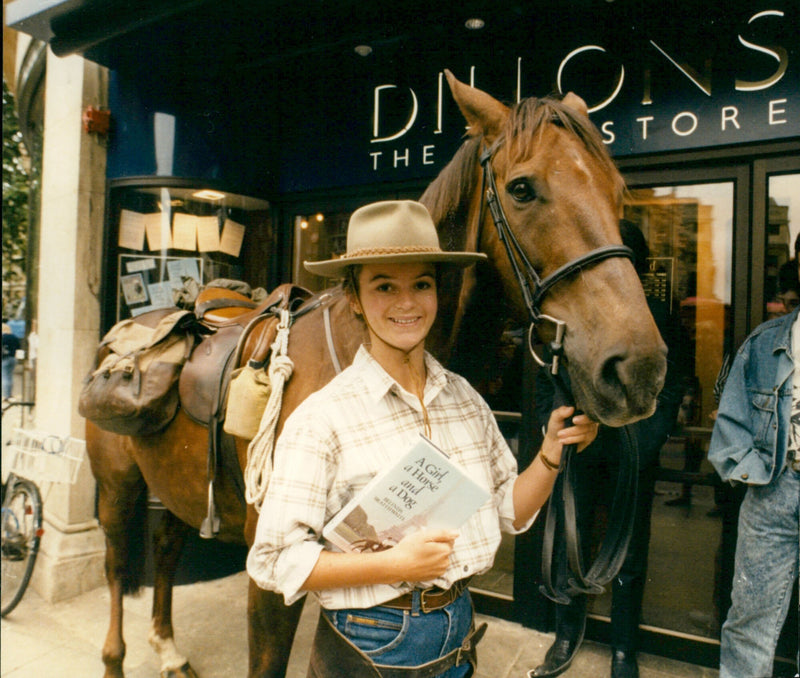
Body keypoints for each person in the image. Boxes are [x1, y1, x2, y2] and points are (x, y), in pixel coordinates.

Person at [246, 200, 599, 678]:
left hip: (458, 627)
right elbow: (273, 560)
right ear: (353, 297)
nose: (407, 303)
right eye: (384, 286)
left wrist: (551, 453)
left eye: (422, 284)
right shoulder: (322, 418)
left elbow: (509, 511)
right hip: (372, 638)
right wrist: (395, 564)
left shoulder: (464, 399)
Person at [529, 220, 684, 678]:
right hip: (578, 452)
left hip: (632, 459)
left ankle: (624, 651)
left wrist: (644, 443)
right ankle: (565, 636)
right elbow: (547, 381)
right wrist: (555, 429)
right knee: (568, 546)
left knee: (630, 557)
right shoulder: (573, 313)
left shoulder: (659, 313)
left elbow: (672, 388)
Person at [708, 305, 799, 678]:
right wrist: (752, 469)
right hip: (774, 491)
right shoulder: (766, 341)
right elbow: (731, 415)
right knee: (749, 622)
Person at [2, 321, 21, 400]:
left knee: (4, 377)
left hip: (4, 358)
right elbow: (18, 347)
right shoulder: (14, 337)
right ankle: (9, 394)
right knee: (9, 377)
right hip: (13, 358)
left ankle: (5, 395)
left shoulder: (3, 337)